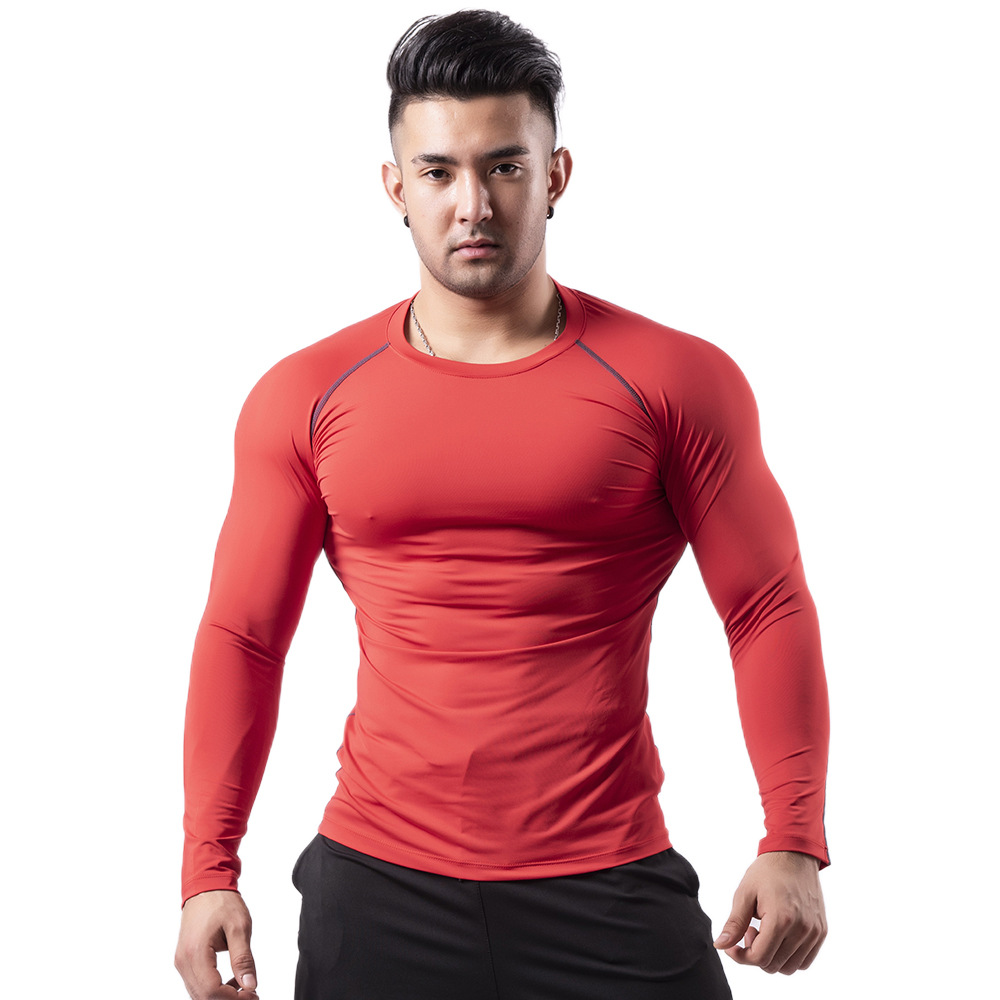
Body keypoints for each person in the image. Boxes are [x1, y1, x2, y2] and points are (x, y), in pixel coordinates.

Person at [174, 10, 830, 999]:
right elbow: (244, 634)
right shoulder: (305, 393)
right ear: (395, 188)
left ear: (555, 175)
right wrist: (207, 870)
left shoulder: (676, 380)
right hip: (379, 882)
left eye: (504, 167)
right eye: (438, 172)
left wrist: (793, 838)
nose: (472, 204)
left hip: (607, 881)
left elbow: (764, 605)